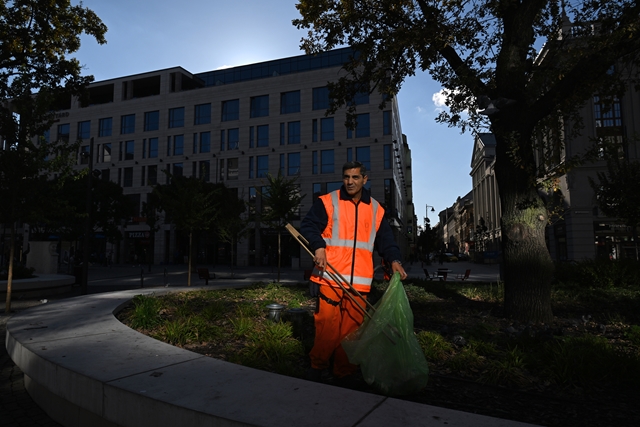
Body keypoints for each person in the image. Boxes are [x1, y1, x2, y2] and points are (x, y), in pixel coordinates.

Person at [300, 161, 407, 382]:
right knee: (326, 326)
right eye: (347, 177)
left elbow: (386, 240)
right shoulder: (328, 202)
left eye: (355, 177)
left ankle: (343, 372)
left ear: (365, 180)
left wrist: (394, 260)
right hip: (330, 276)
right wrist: (318, 246)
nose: (350, 182)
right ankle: (318, 366)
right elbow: (308, 225)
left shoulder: (376, 210)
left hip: (359, 281)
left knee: (351, 331)